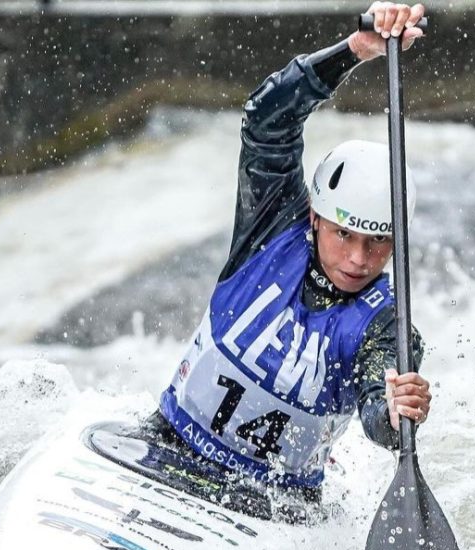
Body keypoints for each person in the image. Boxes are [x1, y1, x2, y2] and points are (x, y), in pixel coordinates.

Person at [155, 2, 432, 509]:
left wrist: (394, 413)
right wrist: (353, 51)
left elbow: (377, 406)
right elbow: (265, 120)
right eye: (344, 235)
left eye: (378, 243)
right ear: (315, 218)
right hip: (169, 448)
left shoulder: (387, 322)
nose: (358, 259)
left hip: (273, 507)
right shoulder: (270, 229)